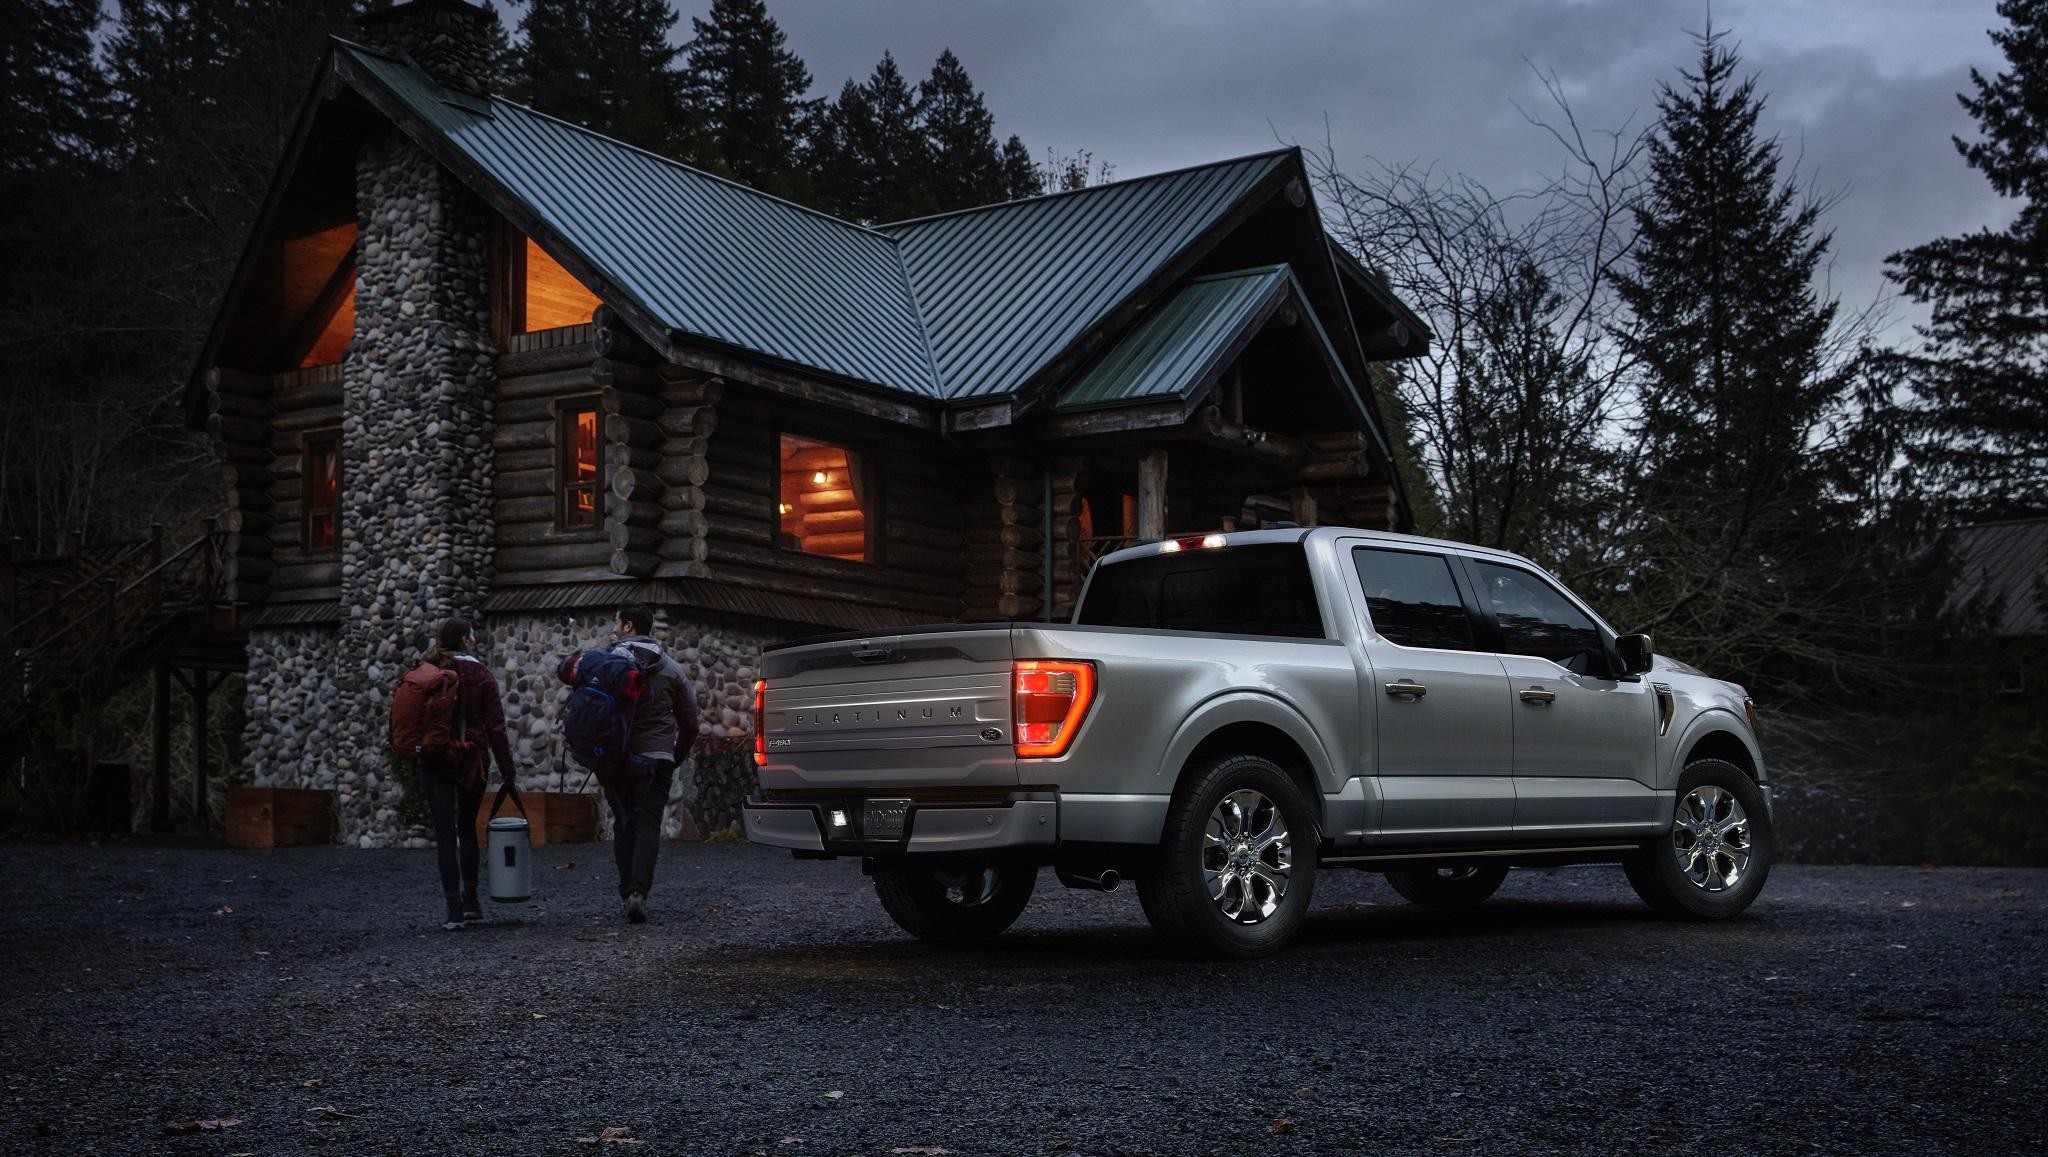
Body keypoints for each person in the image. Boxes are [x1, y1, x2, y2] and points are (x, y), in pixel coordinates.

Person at [414, 617, 517, 930]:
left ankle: (453, 909)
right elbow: (495, 727)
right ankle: (472, 902)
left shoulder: (426, 672)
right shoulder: (481, 673)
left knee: (445, 834)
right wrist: (507, 769)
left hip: (435, 757)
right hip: (471, 757)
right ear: (466, 640)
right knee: (467, 829)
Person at [604, 603, 700, 923]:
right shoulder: (671, 669)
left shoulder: (607, 665)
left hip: (618, 758)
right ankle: (638, 893)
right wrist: (679, 754)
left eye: (617, 623)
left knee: (623, 823)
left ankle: (623, 891)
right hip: (657, 758)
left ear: (629, 626)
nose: (614, 629)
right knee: (647, 825)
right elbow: (691, 722)